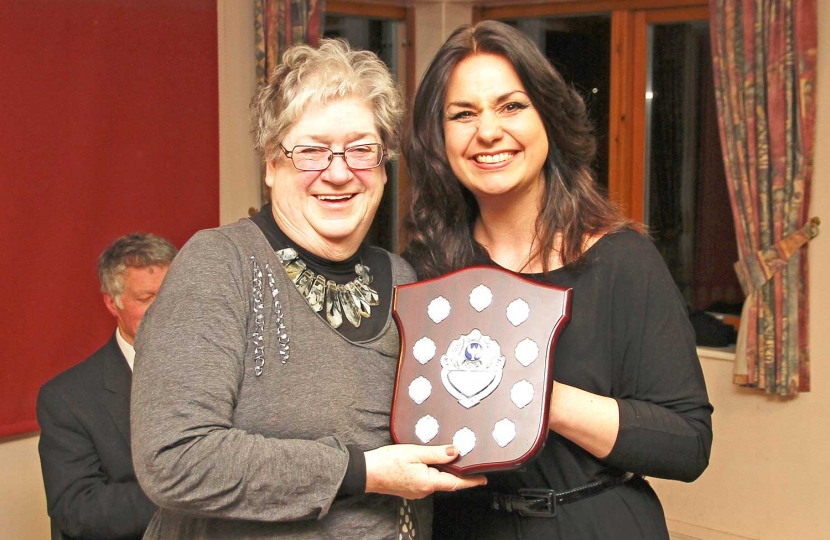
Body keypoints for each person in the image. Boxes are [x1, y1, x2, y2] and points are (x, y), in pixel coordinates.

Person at [130, 39, 485, 540]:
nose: (339, 172)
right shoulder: (220, 264)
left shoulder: (406, 279)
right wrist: (362, 472)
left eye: (361, 149)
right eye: (312, 151)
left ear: (382, 168)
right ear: (272, 165)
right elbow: (174, 459)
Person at [403, 21, 713, 540]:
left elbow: (688, 444)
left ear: (549, 116)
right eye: (463, 114)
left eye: (511, 106)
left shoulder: (623, 262)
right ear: (439, 138)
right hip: (463, 526)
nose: (487, 132)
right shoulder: (424, 269)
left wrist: (530, 393)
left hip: (596, 524)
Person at [37, 233, 177, 540]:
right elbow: (78, 510)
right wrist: (187, 496)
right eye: (145, 299)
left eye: (170, 294)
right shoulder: (66, 398)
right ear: (111, 303)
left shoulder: (220, 367)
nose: (164, 310)